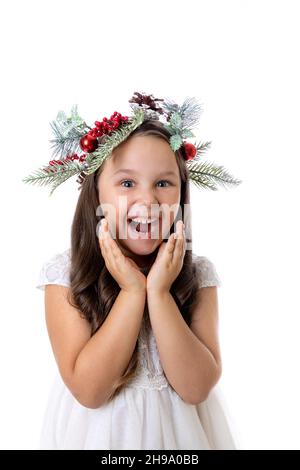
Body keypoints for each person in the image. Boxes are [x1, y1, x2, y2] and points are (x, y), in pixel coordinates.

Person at [29, 92, 241, 449]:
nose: (147, 200)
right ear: (96, 192)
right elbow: (90, 391)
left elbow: (196, 388)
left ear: (181, 193)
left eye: (163, 183)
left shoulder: (197, 276)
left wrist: (158, 293)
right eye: (127, 183)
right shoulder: (66, 275)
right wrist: (131, 291)